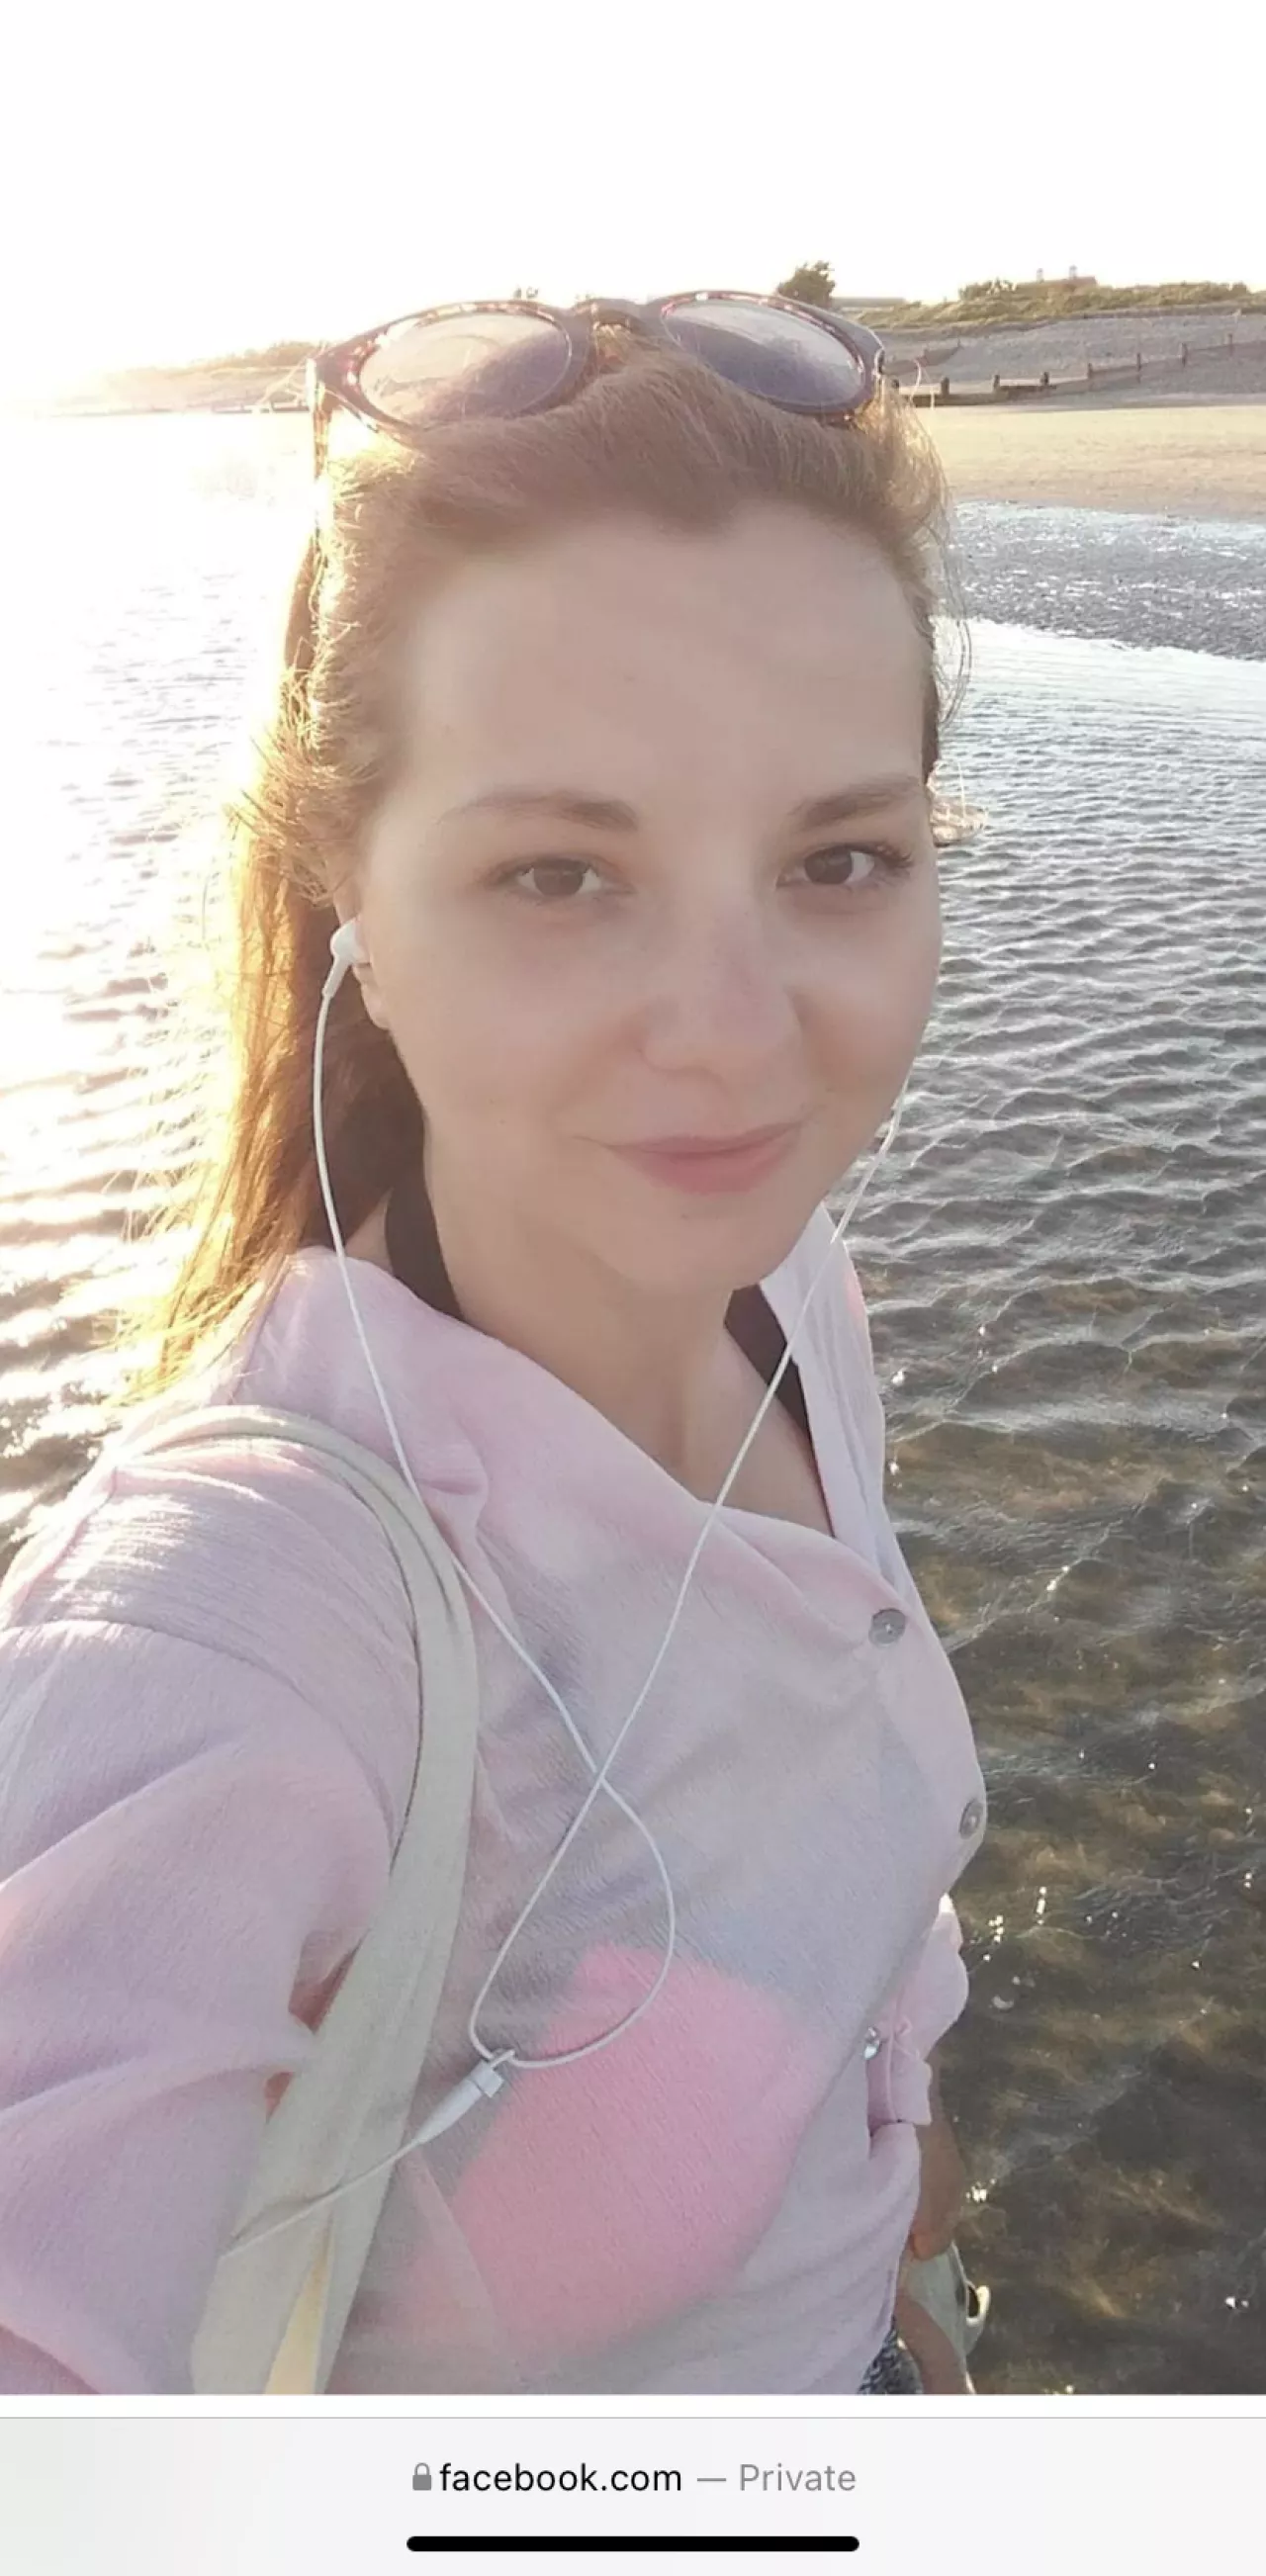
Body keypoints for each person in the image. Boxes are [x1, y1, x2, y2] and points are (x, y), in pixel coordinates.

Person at [0, 292, 987, 2396]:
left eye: (838, 858)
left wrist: (891, 2164)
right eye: (560, 873)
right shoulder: (242, 1615)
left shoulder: (791, 1300)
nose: (734, 1033)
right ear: (346, 879)